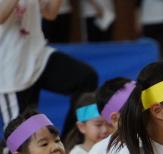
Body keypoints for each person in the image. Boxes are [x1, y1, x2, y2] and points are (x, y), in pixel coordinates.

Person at [0, 0, 98, 136]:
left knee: (86, 78)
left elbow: (50, 13)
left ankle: (72, 139)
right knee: (21, 135)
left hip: (39, 56)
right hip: (11, 68)